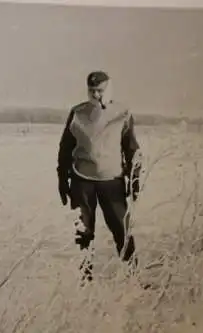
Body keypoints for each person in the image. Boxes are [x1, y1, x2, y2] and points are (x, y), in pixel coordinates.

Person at [56, 70, 142, 283]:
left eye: (100, 90)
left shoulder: (122, 113)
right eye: (92, 90)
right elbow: (65, 147)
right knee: (83, 232)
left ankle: (133, 276)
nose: (96, 95)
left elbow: (131, 148)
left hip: (112, 181)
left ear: (108, 89)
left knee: (122, 230)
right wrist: (61, 178)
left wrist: (135, 179)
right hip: (81, 180)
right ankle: (85, 279)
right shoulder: (77, 113)